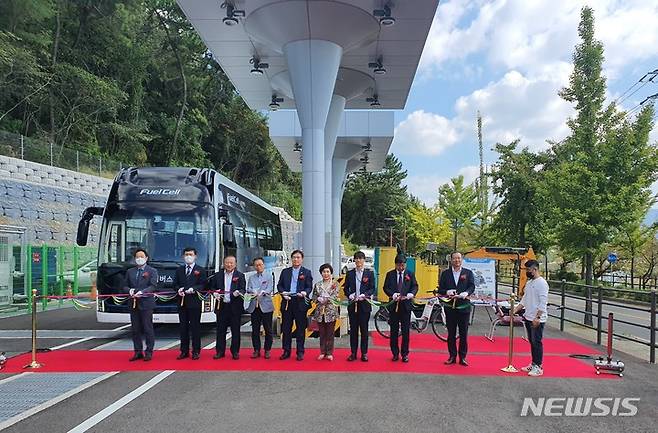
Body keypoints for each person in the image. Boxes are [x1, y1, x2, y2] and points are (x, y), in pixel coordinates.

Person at [438, 252, 475, 366]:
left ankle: (463, 357)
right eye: (454, 258)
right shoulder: (445, 274)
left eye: (459, 258)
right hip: (450, 308)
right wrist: (447, 292)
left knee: (463, 334)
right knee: (451, 334)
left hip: (464, 307)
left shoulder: (468, 273)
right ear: (451, 260)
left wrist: (466, 292)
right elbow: (441, 289)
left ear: (461, 259)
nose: (457, 260)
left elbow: (472, 286)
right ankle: (452, 356)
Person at [513, 259, 549, 377]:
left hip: (537, 318)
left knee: (536, 342)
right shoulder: (529, 283)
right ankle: (533, 363)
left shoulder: (542, 283)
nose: (527, 272)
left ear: (535, 269)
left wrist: (538, 317)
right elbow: (525, 299)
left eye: (528, 270)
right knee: (532, 341)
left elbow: (543, 302)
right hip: (528, 316)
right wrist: (516, 309)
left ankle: (538, 366)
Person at [122, 248, 159, 362]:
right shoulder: (130, 271)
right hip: (133, 303)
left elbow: (153, 286)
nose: (139, 259)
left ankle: (149, 352)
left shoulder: (152, 271)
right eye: (137, 257)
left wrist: (142, 292)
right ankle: (138, 351)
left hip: (146, 303)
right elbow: (124, 285)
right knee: (135, 329)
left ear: (146, 258)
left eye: (141, 257)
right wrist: (129, 291)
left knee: (147, 328)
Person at [276, 249, 313, 361]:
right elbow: (279, 285)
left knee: (300, 328)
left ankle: (300, 351)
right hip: (287, 301)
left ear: (302, 259)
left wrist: (305, 293)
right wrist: (283, 293)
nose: (296, 259)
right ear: (291, 259)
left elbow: (309, 287)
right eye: (294, 257)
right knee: (286, 328)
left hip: (300, 302)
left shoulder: (306, 272)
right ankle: (286, 351)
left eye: (298, 257)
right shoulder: (285, 271)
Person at [382, 254, 418, 362]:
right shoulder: (390, 274)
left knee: (405, 331)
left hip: (406, 305)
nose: (401, 268)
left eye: (403, 265)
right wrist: (392, 294)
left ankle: (405, 353)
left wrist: (412, 293)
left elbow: (415, 286)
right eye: (399, 265)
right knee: (393, 331)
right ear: (396, 265)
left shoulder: (410, 274)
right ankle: (395, 353)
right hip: (394, 306)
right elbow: (386, 287)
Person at [173, 247, 205, 360]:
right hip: (182, 303)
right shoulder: (179, 270)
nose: (188, 256)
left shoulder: (200, 270)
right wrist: (179, 289)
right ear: (183, 256)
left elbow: (203, 285)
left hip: (195, 303)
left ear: (195, 256)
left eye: (190, 254)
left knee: (195, 327)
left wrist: (194, 289)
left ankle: (196, 351)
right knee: (183, 327)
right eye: (186, 254)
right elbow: (175, 284)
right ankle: (184, 351)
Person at [343, 251, 375, 362]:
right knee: (353, 330)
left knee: (364, 330)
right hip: (353, 305)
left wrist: (365, 295)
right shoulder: (350, 273)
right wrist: (349, 294)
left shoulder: (369, 273)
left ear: (364, 260)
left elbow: (372, 288)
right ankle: (353, 352)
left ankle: (364, 353)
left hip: (364, 305)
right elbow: (345, 288)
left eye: (360, 259)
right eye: (356, 259)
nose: (358, 261)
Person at [212, 255, 246, 360]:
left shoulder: (240, 276)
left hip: (235, 307)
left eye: (231, 263)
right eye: (227, 262)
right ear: (223, 263)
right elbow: (212, 288)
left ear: (235, 264)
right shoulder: (217, 276)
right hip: (222, 306)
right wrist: (215, 293)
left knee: (235, 331)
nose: (229, 264)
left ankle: (235, 351)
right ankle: (220, 351)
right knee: (220, 331)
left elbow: (243, 289)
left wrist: (238, 292)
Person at [246, 257, 274, 359]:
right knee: (255, 330)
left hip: (266, 305)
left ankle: (267, 350)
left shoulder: (269, 276)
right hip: (254, 306)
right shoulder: (251, 278)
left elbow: (270, 288)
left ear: (264, 265)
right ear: (254, 266)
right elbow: (248, 289)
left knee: (268, 329)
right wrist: (252, 291)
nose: (259, 267)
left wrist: (263, 292)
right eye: (256, 265)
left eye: (260, 264)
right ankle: (256, 350)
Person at [312, 263, 339, 361]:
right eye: (324, 272)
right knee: (322, 333)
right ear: (321, 273)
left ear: (331, 273)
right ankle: (322, 352)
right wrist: (318, 298)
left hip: (330, 312)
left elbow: (335, 296)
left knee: (330, 333)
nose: (326, 274)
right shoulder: (318, 284)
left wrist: (327, 299)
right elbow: (313, 297)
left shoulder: (335, 284)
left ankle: (329, 353)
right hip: (320, 312)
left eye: (328, 272)